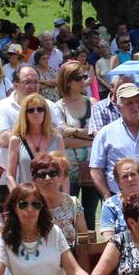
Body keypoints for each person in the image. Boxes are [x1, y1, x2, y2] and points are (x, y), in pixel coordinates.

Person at [51, 62, 96, 218]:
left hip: (91, 167)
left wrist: (74, 132)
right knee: (70, 214)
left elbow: (98, 134)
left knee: (90, 215)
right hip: (69, 169)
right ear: (68, 82)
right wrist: (89, 138)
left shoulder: (92, 103)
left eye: (85, 76)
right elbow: (63, 140)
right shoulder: (58, 107)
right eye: (79, 78)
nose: (84, 80)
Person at [5, 94, 64, 189]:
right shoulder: (16, 140)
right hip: (28, 200)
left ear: (46, 112)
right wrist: (17, 198)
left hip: (53, 197)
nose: (36, 113)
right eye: (30, 110)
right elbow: (10, 175)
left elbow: (63, 173)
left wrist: (66, 199)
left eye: (40, 109)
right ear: (24, 114)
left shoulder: (57, 138)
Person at [30, 153, 85, 244]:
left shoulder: (73, 203)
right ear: (34, 180)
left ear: (61, 177)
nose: (48, 178)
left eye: (53, 174)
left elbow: (83, 237)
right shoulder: (28, 205)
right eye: (42, 174)